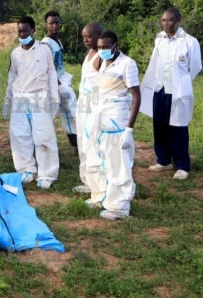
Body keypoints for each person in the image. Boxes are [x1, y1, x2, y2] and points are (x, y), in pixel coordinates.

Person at [84, 31, 141, 220]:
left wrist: (129, 130)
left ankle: (119, 208)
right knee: (100, 160)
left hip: (117, 122)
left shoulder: (127, 64)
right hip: (101, 121)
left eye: (106, 47)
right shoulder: (102, 63)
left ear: (115, 45)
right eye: (99, 47)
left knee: (118, 165)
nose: (102, 50)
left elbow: (136, 96)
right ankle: (100, 196)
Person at [141, 7, 201, 180]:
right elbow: (154, 62)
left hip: (177, 91)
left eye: (170, 20)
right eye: (163, 20)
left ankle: (182, 165)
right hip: (160, 89)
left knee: (178, 127)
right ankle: (163, 160)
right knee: (159, 126)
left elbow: (195, 67)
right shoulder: (159, 39)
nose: (166, 24)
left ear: (178, 20)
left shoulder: (189, 41)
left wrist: (181, 82)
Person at [4, 15, 60, 189]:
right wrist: (8, 100)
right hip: (20, 97)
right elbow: (12, 77)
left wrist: (54, 98)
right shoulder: (15, 53)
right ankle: (26, 169)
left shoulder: (44, 50)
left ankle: (47, 174)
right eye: (20, 31)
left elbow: (51, 73)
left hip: (39, 96)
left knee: (43, 135)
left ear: (33, 30)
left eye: (25, 31)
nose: (22, 34)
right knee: (20, 135)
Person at [41, 11, 78, 152]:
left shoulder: (57, 40)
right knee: (53, 115)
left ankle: (76, 145)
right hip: (54, 84)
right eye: (51, 23)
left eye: (57, 22)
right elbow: (47, 67)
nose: (54, 25)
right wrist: (57, 85)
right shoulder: (46, 43)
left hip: (61, 80)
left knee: (68, 114)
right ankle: (45, 148)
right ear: (46, 25)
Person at [73, 22, 103, 193]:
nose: (85, 39)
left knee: (93, 143)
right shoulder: (89, 53)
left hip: (94, 104)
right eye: (84, 36)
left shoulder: (102, 56)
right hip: (83, 103)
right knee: (83, 142)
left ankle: (96, 183)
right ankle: (86, 180)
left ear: (99, 35)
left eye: (89, 36)